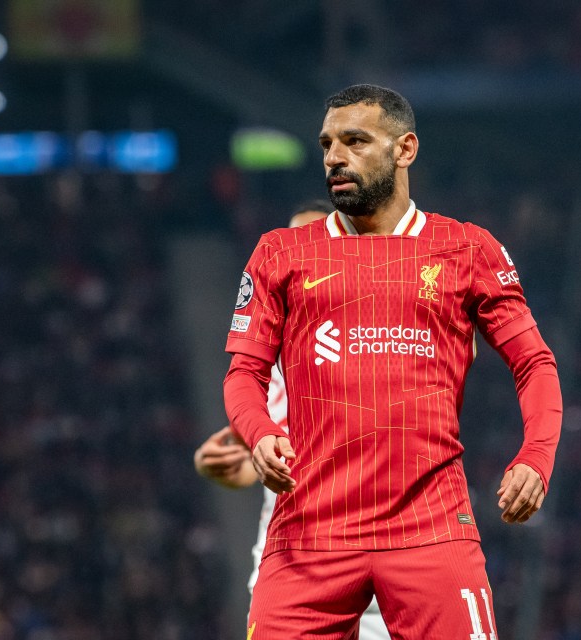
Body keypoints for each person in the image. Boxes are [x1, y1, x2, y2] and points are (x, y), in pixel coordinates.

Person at [223, 84, 563, 639]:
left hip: (430, 529)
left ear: (405, 149)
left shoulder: (467, 250)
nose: (335, 156)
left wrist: (536, 456)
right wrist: (259, 433)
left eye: (355, 141)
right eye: (327, 143)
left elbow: (534, 362)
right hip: (310, 532)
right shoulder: (279, 253)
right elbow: (244, 374)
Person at [196, 201, 391, 640]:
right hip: (288, 563)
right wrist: (234, 467)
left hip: (380, 568)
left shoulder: (383, 339)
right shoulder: (265, 364)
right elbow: (270, 458)